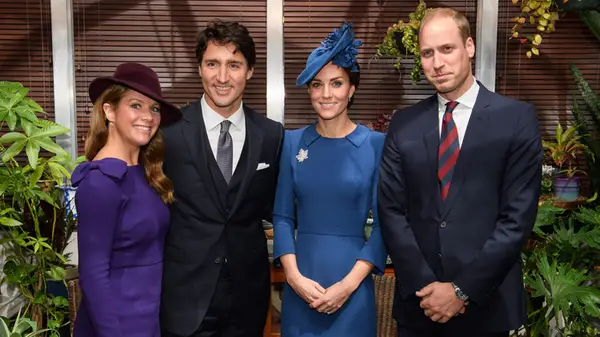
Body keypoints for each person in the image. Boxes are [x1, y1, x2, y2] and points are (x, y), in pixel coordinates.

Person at [378, 7, 543, 337]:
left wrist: (462, 289)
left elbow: (517, 219)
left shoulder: (516, 119)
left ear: (468, 47)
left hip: (488, 307)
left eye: (446, 49)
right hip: (419, 307)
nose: (437, 63)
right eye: (427, 53)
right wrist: (427, 287)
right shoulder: (403, 124)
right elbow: (391, 211)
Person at [160, 19, 284, 337]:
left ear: (250, 71)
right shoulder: (168, 132)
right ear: (200, 68)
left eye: (234, 64)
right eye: (212, 64)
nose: (223, 77)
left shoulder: (271, 135)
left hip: (248, 301)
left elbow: (276, 207)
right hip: (185, 299)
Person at [273, 21, 388, 337]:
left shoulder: (377, 145)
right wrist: (293, 278)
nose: (325, 94)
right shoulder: (292, 143)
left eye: (336, 83)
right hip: (300, 288)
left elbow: (384, 225)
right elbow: (282, 218)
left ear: (351, 89)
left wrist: (347, 286)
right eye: (316, 84)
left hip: (352, 288)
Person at [72, 62, 182, 337]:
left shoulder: (146, 173)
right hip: (115, 324)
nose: (148, 116)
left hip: (148, 318)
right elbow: (93, 274)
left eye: (154, 108)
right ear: (109, 110)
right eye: (136, 105)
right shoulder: (100, 180)